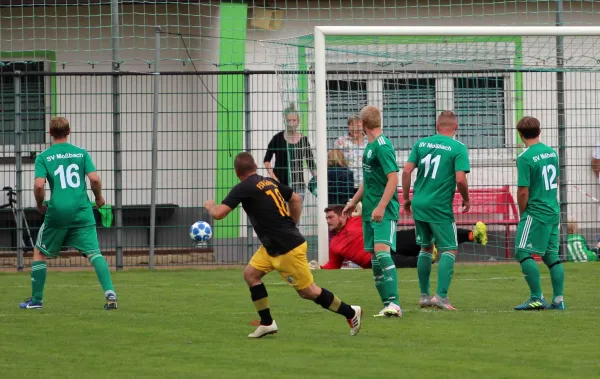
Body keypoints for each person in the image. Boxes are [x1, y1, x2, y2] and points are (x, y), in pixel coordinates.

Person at [203, 152, 362, 338]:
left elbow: (219, 214)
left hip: (287, 249)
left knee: (308, 292)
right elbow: (295, 198)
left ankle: (350, 312)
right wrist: (291, 224)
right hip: (273, 246)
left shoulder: (243, 187)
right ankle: (267, 323)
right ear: (255, 167)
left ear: (237, 171)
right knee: (251, 275)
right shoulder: (269, 182)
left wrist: (210, 206)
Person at [19, 117, 117, 310]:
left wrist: (39, 204)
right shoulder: (81, 154)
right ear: (69, 131)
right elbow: (95, 180)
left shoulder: (44, 157)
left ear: (50, 133)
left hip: (58, 212)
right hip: (82, 210)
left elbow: (39, 185)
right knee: (94, 253)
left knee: (39, 251)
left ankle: (36, 300)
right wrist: (98, 198)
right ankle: (110, 294)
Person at [402, 111, 470, 311]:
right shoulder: (458, 148)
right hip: (439, 206)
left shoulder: (421, 144)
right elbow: (460, 179)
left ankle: (424, 296)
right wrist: (466, 198)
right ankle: (440, 296)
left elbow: (406, 171)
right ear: (456, 128)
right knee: (449, 249)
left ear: (437, 126)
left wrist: (406, 198)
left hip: (419, 203)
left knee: (425, 247)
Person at [343, 105, 402, 318]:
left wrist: (382, 206)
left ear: (363, 124)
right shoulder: (370, 147)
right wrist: (353, 202)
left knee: (383, 255)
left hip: (382, 210)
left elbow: (393, 178)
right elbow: (368, 181)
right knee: (375, 261)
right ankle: (387, 304)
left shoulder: (383, 147)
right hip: (368, 210)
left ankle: (395, 304)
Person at [310, 205, 487, 270]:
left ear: (343, 216)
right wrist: (318, 268)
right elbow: (334, 265)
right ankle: (427, 257)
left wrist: (360, 206)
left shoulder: (358, 219)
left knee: (424, 232)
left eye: (330, 217)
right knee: (403, 263)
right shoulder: (335, 244)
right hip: (375, 259)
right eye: (326, 218)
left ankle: (472, 235)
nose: (328, 221)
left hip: (390, 239)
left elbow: (370, 208)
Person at [512, 116, 565, 311]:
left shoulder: (525, 158)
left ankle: (537, 297)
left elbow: (523, 190)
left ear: (520, 134)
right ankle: (558, 300)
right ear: (539, 131)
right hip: (553, 209)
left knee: (522, 251)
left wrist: (523, 212)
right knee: (552, 255)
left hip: (536, 210)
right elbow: (556, 181)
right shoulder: (551, 153)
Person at [264, 103, 316, 200]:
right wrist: (273, 177)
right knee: (282, 214)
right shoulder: (277, 138)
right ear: (285, 121)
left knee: (295, 215)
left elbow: (311, 163)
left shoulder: (304, 140)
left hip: (299, 186)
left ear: (298, 121)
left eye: (294, 120)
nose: (291, 123)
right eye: (289, 120)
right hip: (280, 184)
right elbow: (266, 160)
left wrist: (318, 179)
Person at [334, 114, 368, 195]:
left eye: (358, 126)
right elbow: (335, 160)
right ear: (348, 126)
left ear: (362, 126)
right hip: (346, 184)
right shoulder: (341, 141)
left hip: (366, 184)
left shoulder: (369, 141)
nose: (355, 129)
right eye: (352, 126)